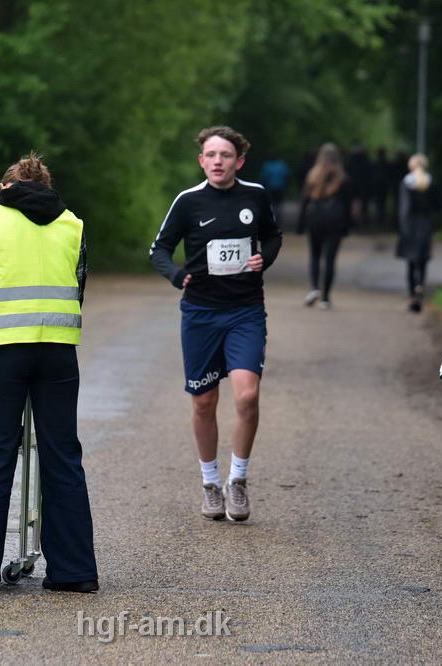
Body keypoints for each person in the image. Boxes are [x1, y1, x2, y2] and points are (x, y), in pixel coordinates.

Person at [0, 152, 97, 592]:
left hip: (3, 350)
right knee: (62, 457)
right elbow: (79, 285)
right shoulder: (72, 223)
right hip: (57, 350)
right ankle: (74, 572)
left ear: (5, 185)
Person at [149, 125, 282, 523]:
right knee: (204, 401)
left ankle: (237, 480)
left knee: (246, 396)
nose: (218, 161)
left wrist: (265, 259)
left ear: (238, 161)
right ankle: (210, 483)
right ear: (201, 161)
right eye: (211, 155)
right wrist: (176, 275)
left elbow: (273, 236)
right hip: (201, 314)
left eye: (225, 155)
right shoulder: (188, 202)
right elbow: (159, 250)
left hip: (245, 311)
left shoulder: (255, 195)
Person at [296, 143, 357, 309]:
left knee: (315, 255)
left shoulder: (312, 176)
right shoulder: (343, 179)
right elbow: (347, 205)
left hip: (314, 219)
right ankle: (325, 298)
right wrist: (347, 226)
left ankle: (314, 287)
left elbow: (304, 201)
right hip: (335, 221)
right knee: (330, 259)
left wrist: (300, 224)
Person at [396, 153, 442, 313]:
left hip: (409, 225)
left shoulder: (406, 183)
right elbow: (438, 206)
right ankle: (420, 285)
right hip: (425, 225)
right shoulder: (432, 183)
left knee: (410, 260)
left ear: (411, 166)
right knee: (422, 260)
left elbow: (404, 208)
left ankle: (411, 293)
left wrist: (401, 226)